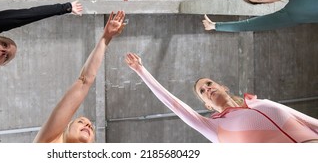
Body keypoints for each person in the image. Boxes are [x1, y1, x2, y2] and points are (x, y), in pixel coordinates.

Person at [125, 52, 318, 143]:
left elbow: (306, 121)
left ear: (222, 87)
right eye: (202, 92)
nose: (207, 89)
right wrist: (141, 70)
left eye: (209, 84)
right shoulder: (215, 128)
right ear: (207, 105)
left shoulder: (261, 102)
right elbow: (175, 105)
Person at [33, 11, 126, 143]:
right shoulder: (47, 142)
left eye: (87, 125)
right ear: (64, 129)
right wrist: (105, 38)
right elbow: (84, 82)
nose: (88, 126)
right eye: (81, 122)